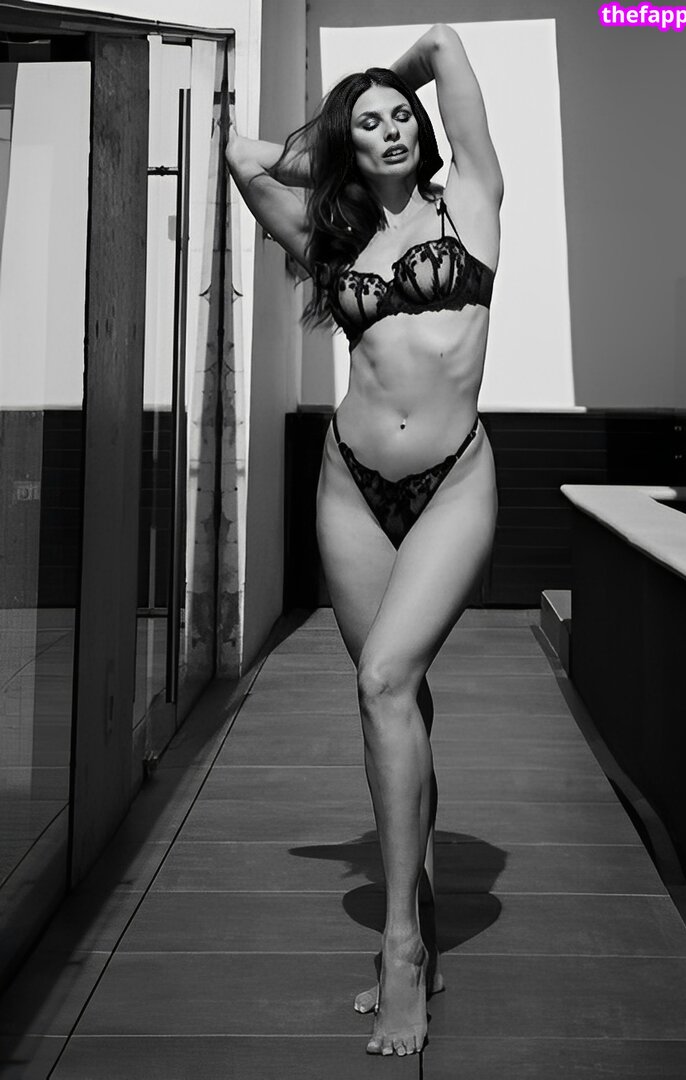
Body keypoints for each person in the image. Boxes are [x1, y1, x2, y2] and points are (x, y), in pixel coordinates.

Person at [226, 23, 502, 1057]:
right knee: (397, 697)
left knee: (384, 681)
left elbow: (442, 41)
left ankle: (399, 949)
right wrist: (326, 142)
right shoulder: (331, 237)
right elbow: (244, 163)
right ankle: (414, 904)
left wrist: (384, 86)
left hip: (453, 480)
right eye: (369, 124)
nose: (390, 131)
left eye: (400, 118)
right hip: (349, 486)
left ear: (422, 129)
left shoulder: (470, 199)